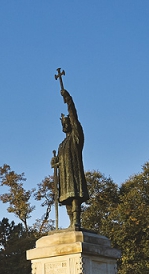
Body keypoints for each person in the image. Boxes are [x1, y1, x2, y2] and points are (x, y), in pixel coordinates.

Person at [52, 86, 88, 229]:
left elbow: (74, 116)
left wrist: (68, 100)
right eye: (63, 124)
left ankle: (77, 221)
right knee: (66, 197)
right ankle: (71, 223)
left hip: (74, 172)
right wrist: (56, 163)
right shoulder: (62, 145)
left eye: (67, 123)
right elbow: (60, 161)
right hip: (64, 175)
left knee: (74, 195)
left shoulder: (76, 137)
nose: (65, 125)